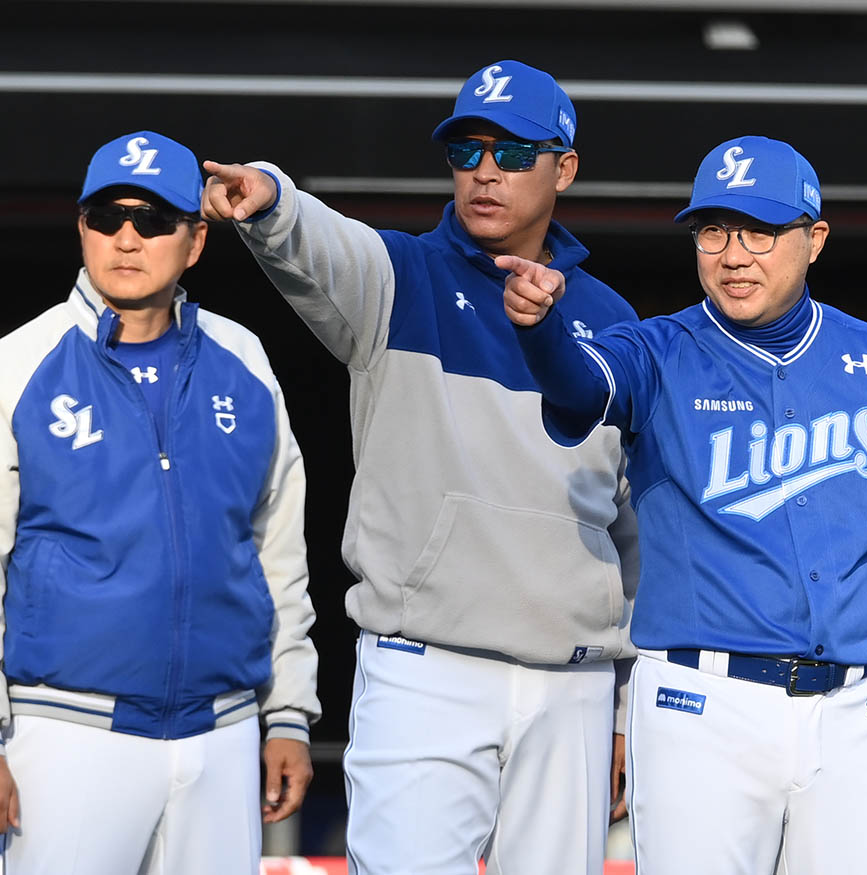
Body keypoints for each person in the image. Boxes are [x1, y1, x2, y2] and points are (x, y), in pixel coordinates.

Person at [200, 60, 639, 875]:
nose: (483, 171)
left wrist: (625, 705)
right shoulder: (396, 277)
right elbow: (316, 242)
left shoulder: (614, 321)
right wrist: (268, 195)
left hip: (574, 684)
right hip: (425, 669)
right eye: (466, 150)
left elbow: (631, 522)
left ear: (564, 168)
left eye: (511, 153)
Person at [503, 134, 867, 873]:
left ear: (814, 241)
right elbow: (580, 386)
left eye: (760, 231)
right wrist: (541, 330)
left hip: (846, 712)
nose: (733, 254)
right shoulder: (657, 350)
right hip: (700, 704)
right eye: (713, 230)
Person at [0, 131, 320, 873]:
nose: (126, 237)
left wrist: (290, 715)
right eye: (106, 216)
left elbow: (278, 551)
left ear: (196, 238)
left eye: (152, 219)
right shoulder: (19, 363)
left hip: (224, 732)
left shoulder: (243, 360)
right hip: (66, 728)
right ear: (82, 226)